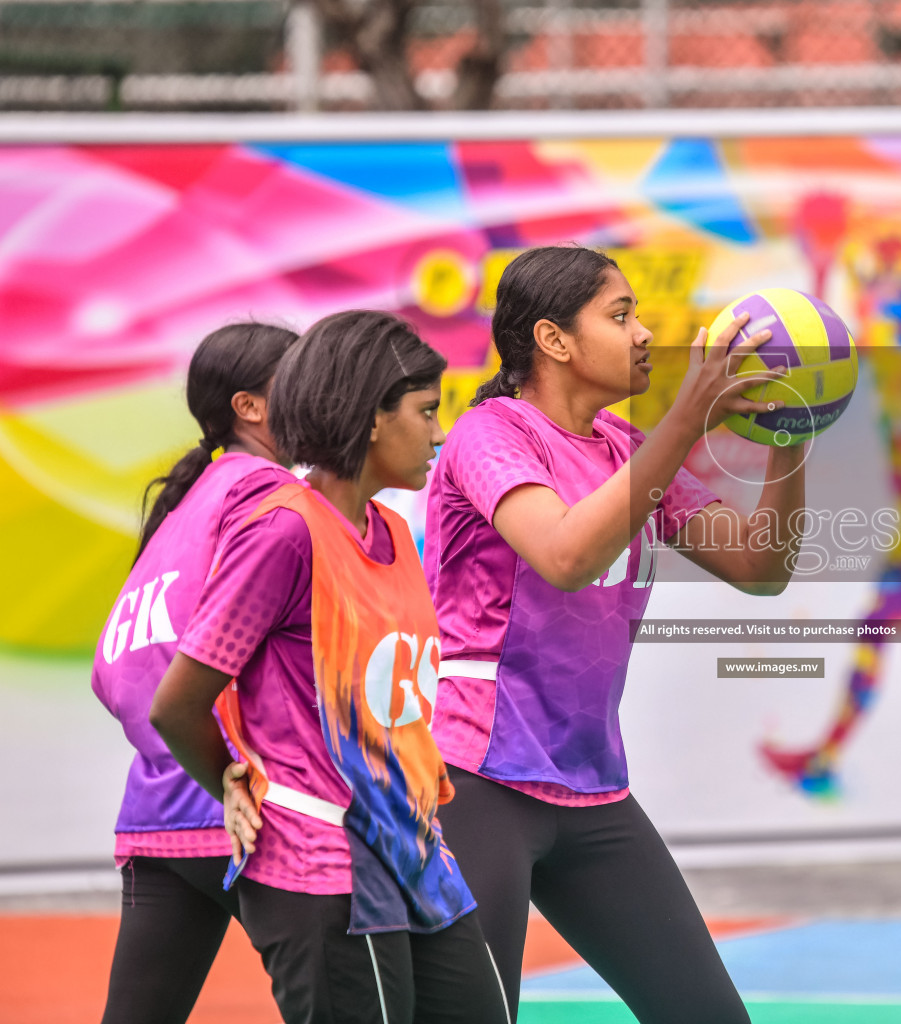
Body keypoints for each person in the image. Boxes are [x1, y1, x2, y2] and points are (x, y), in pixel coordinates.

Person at [424, 244, 805, 1022]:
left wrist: (793, 435)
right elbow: (565, 553)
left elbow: (760, 565)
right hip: (474, 779)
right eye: (621, 314)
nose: (643, 335)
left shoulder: (624, 450)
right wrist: (687, 419)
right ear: (554, 340)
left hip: (591, 786)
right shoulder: (489, 435)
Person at [149, 310, 510, 1024]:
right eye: (426, 411)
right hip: (321, 863)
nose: (440, 433)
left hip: (415, 852)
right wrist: (229, 777)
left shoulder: (397, 536)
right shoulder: (284, 531)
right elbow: (177, 703)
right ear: (370, 418)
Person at [92, 322, 297, 1024]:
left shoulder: (184, 507)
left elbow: (113, 673)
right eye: (302, 376)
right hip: (251, 811)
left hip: (157, 817)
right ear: (251, 407)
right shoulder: (261, 496)